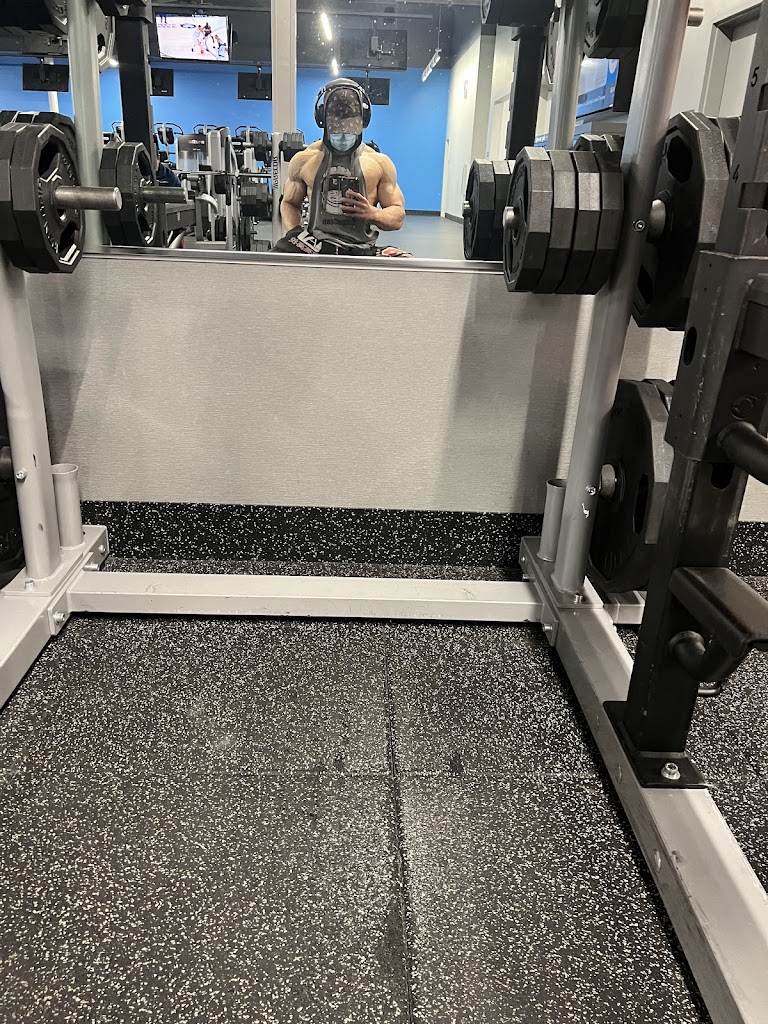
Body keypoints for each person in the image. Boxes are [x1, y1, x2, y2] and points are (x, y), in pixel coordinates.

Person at [277, 79, 405, 257]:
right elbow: (289, 203)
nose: (343, 139)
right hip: (317, 245)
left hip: (361, 248)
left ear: (363, 122)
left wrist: (373, 213)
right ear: (323, 122)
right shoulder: (304, 160)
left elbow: (397, 216)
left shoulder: (380, 163)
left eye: (349, 133)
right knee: (268, 265)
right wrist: (296, 233)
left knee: (409, 264)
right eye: (337, 133)